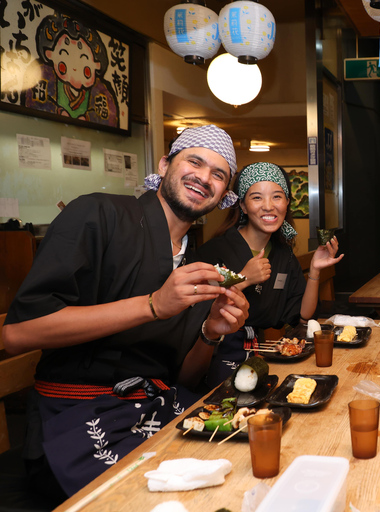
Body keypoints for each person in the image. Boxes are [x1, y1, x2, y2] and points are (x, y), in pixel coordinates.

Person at [1, 125, 249, 500]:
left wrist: (210, 333)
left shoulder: (196, 264)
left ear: (225, 196)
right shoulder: (98, 214)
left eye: (218, 174)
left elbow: (184, 374)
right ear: (165, 164)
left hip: (156, 413)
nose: (204, 177)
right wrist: (152, 305)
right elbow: (18, 333)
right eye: (194, 162)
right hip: (74, 420)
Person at [195, 162, 343, 387]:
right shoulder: (214, 251)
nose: (268, 206)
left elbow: (302, 317)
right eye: (256, 198)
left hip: (265, 357)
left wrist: (314, 270)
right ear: (242, 206)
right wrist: (244, 279)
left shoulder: (283, 254)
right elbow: (198, 317)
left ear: (287, 203)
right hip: (214, 358)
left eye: (276, 197)